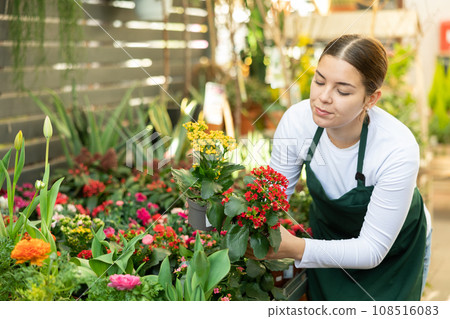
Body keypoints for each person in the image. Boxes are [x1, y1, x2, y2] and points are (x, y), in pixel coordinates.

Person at [258, 34, 432, 301]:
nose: (323, 98)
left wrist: (296, 248)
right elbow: (270, 198)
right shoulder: (298, 122)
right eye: (318, 81)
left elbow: (372, 250)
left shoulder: (397, 147)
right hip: (328, 239)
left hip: (393, 253)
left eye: (342, 91)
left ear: (371, 99)